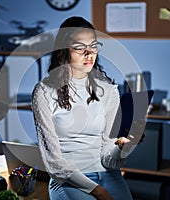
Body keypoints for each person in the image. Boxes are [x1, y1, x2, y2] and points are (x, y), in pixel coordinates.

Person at [32, 16, 133, 200]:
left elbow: (108, 159)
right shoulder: (44, 92)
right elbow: (54, 162)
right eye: (80, 47)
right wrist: (98, 191)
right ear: (64, 50)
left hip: (107, 175)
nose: (89, 53)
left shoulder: (108, 90)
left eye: (93, 45)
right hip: (68, 180)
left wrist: (121, 147)